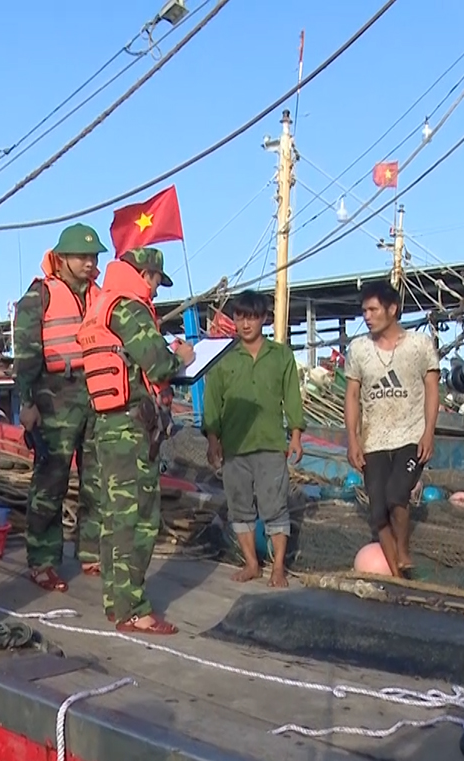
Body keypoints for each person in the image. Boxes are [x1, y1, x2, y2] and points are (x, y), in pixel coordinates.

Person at [77, 248, 193, 633]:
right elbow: (158, 364)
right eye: (158, 281)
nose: (157, 292)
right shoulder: (130, 308)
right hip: (130, 427)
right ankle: (133, 610)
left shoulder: (100, 306)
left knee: (114, 517)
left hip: (107, 424)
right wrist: (185, 357)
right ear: (145, 274)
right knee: (138, 519)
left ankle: (117, 602)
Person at [12, 223, 106, 591]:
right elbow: (26, 353)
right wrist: (27, 401)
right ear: (62, 258)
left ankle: (91, 551)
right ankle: (42, 559)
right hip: (54, 394)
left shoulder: (101, 295)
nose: (88, 262)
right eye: (82, 256)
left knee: (96, 479)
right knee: (51, 479)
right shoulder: (40, 296)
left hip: (96, 393)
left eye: (93, 256)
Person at [203, 290, 305, 587]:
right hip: (235, 447)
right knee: (240, 508)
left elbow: (292, 399)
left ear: (264, 319)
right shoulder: (223, 357)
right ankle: (251, 563)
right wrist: (213, 439)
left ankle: (278, 568)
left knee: (275, 507)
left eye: (251, 317)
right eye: (239, 317)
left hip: (271, 444)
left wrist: (295, 435)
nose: (245, 324)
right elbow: (213, 402)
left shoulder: (281, 355)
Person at [343, 280, 440, 579]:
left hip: (410, 436)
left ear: (393, 309)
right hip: (374, 440)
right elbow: (352, 396)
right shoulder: (358, 349)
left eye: (373, 309)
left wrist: (428, 432)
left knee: (397, 495)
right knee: (377, 511)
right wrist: (353, 440)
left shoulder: (420, 344)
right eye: (364, 311)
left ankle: (403, 551)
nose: (367, 316)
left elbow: (432, 388)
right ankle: (397, 573)